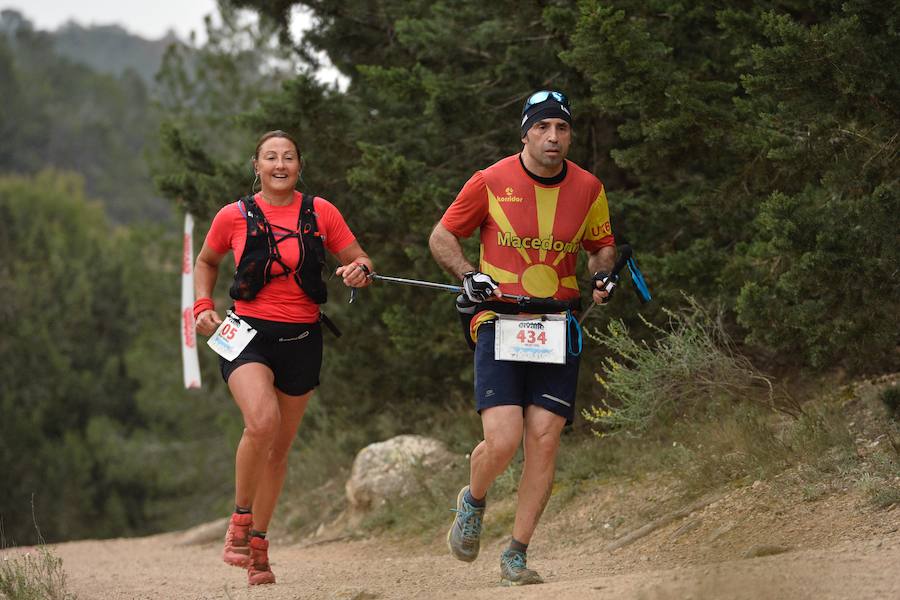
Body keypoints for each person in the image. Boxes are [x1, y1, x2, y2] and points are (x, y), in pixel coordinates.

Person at [429, 90, 617, 586]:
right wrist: (468, 272)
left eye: (562, 128)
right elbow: (441, 236)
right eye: (543, 128)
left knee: (545, 439)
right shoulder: (490, 181)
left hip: (558, 324)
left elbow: (602, 247)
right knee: (505, 439)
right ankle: (473, 500)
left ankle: (516, 551)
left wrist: (602, 275)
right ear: (525, 133)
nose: (553, 138)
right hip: (498, 319)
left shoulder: (589, 188)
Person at [193, 130, 373, 586]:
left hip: (302, 338)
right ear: (256, 165)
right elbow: (206, 261)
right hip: (246, 334)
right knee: (261, 422)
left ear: (299, 165)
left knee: (278, 451)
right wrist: (201, 306)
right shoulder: (232, 216)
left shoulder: (321, 212)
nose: (279, 164)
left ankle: (258, 545)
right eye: (270, 157)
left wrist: (358, 272)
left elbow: (361, 261)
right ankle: (238, 521)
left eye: (288, 157)